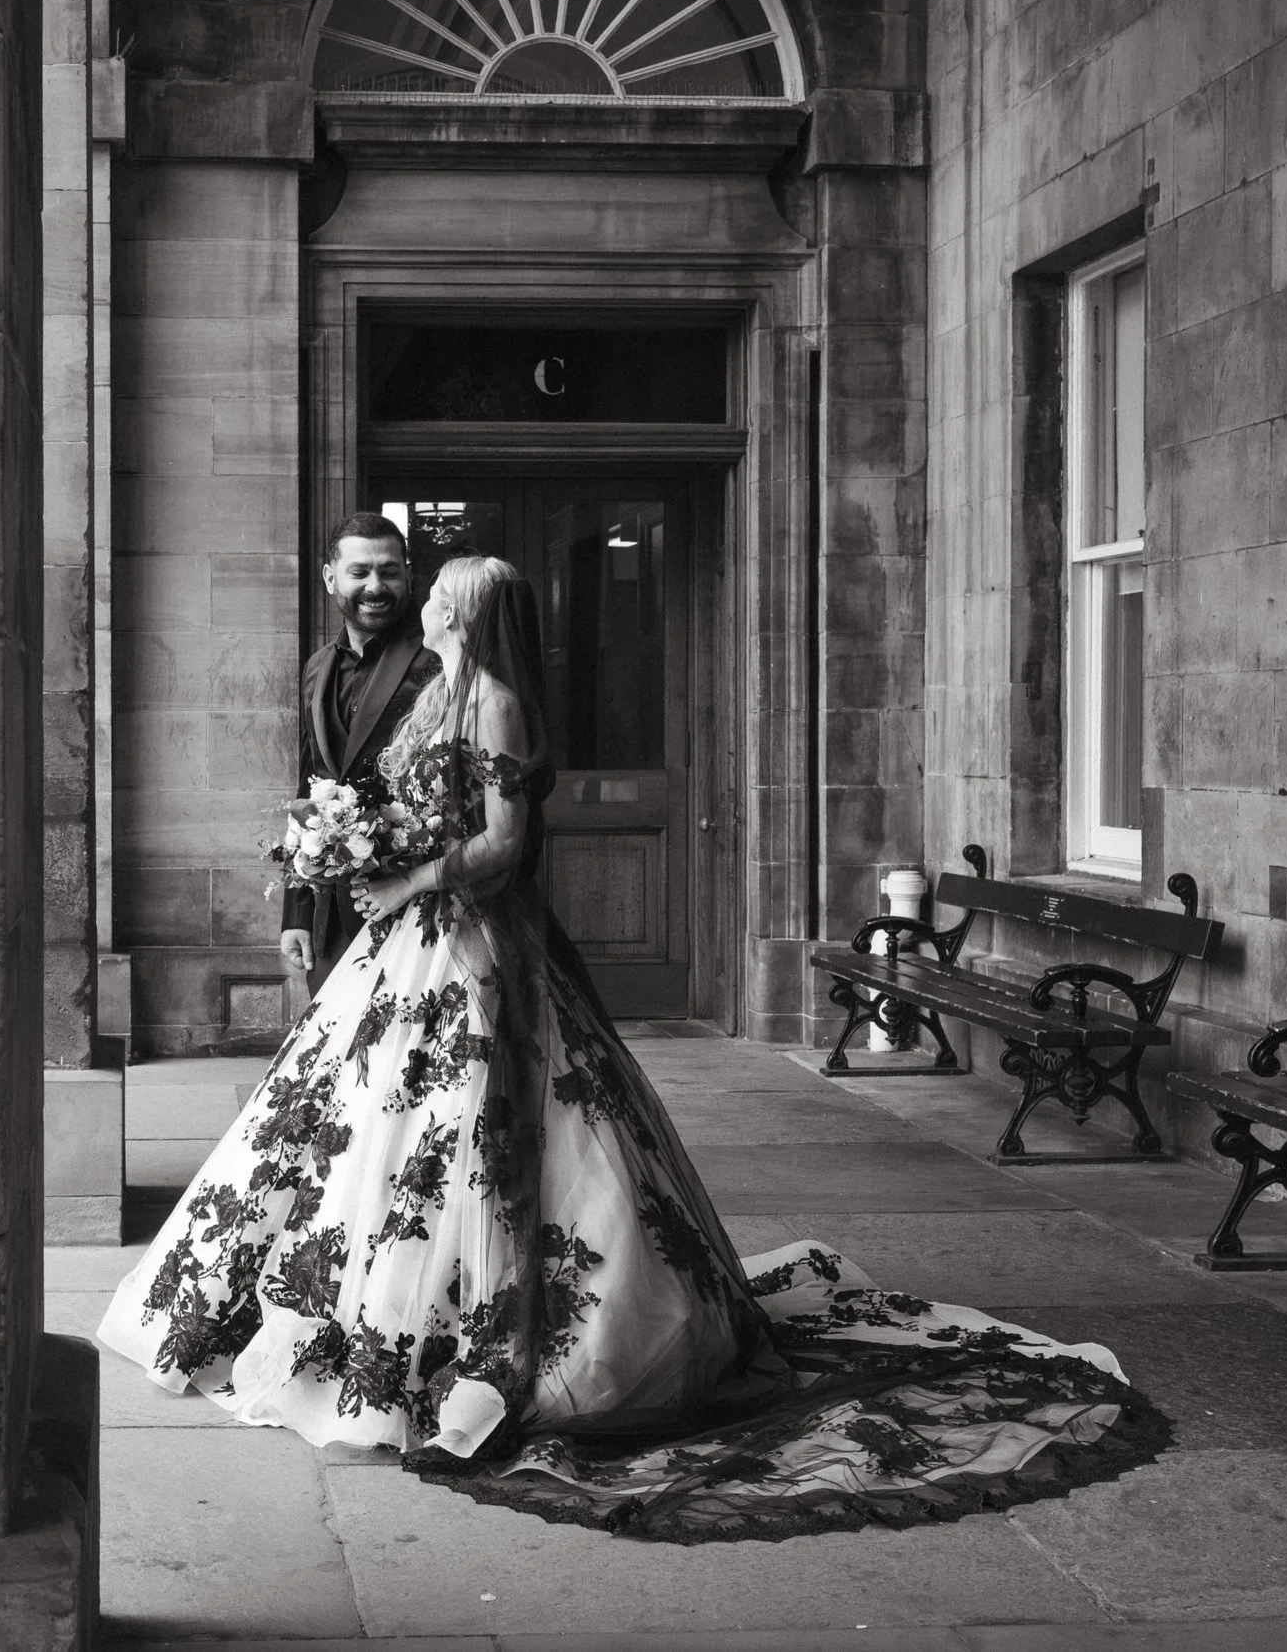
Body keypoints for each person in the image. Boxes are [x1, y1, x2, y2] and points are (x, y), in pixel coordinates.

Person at [97, 556, 1166, 1541]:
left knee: (492, 1126)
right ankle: (338, 1316)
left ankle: (486, 1338)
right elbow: (402, 802)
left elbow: (507, 844)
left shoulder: (502, 703)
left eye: (444, 597)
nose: (427, 603)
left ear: (471, 611)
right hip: (399, 947)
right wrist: (353, 844)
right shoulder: (430, 692)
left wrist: (412, 877)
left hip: (472, 943)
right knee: (354, 1125)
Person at [282, 511, 441, 994]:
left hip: (414, 904)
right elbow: (308, 791)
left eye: (389, 571)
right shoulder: (317, 668)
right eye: (360, 572)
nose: (376, 585)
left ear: (408, 575)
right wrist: (298, 913)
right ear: (331, 578)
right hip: (331, 917)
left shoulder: (437, 662)